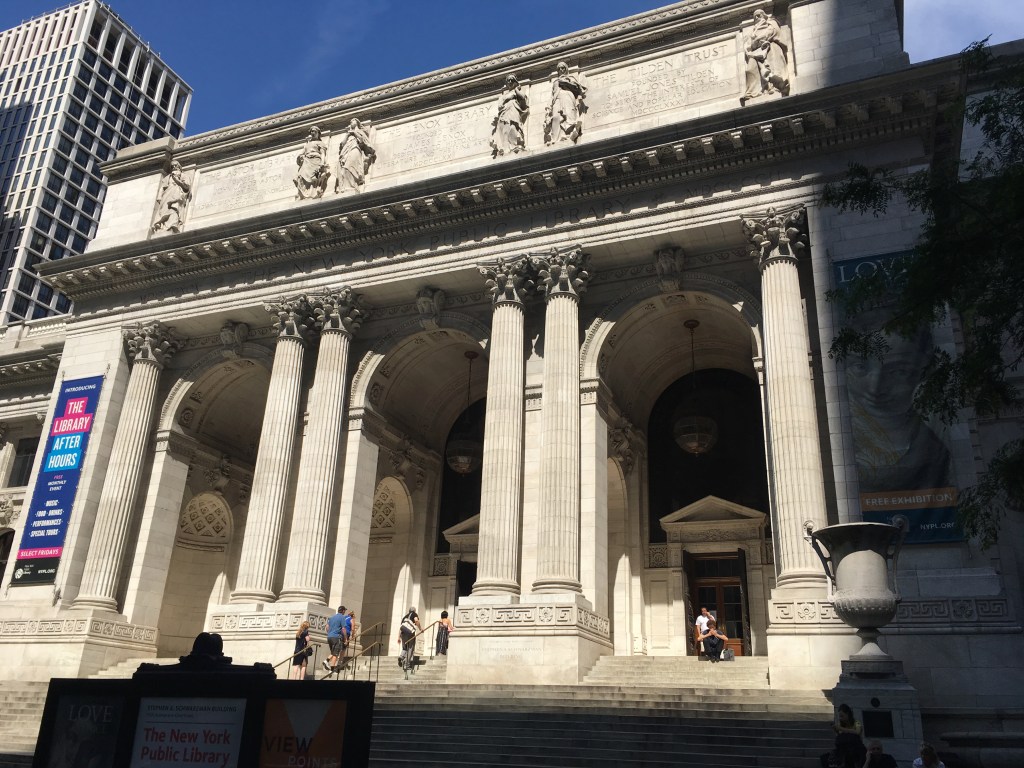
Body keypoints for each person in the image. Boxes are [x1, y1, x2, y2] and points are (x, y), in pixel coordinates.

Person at [845, 316, 953, 494]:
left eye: (897, 371)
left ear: (923, 372)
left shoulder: (937, 453)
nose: (875, 388)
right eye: (860, 367)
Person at [741, 9, 790, 103]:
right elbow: (748, 44)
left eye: (758, 15)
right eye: (755, 16)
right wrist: (754, 44)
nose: (757, 17)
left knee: (772, 68)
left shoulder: (771, 23)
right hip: (756, 52)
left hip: (770, 48)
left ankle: (773, 88)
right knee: (750, 70)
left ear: (764, 15)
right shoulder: (752, 31)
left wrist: (758, 40)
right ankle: (754, 92)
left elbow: (772, 32)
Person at [544, 61, 587, 144]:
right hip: (557, 100)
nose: (561, 69)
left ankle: (568, 134)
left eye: (563, 67)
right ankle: (556, 139)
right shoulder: (555, 81)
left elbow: (578, 88)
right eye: (559, 68)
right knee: (556, 117)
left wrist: (566, 82)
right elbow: (552, 95)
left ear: (566, 69)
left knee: (568, 116)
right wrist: (548, 107)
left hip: (568, 97)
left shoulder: (570, 78)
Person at [490, 74, 529, 157]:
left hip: (514, 111)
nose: (510, 82)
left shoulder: (517, 92)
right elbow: (500, 106)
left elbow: (523, 98)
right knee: (505, 130)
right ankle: (506, 148)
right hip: (505, 114)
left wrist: (516, 90)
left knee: (513, 126)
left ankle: (515, 146)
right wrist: (509, 97)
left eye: (512, 80)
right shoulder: (503, 97)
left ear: (515, 82)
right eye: (508, 80)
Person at [335, 118, 375, 194]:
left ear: (357, 123)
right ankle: (346, 187)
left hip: (355, 149)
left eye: (352, 121)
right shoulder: (348, 134)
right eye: (350, 121)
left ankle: (353, 186)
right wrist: (347, 135)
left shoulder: (360, 131)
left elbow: (362, 141)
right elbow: (342, 145)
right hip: (346, 151)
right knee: (343, 169)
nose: (350, 122)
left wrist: (354, 133)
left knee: (349, 167)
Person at [820, 703, 866, 768]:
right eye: (840, 716)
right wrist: (837, 730)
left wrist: (842, 729)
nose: (840, 718)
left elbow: (857, 732)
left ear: (848, 714)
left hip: (856, 748)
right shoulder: (841, 724)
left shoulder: (856, 722)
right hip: (844, 749)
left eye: (842, 716)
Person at [151, 160, 191, 233]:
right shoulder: (167, 177)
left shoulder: (184, 176)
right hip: (167, 195)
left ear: (179, 166)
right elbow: (162, 188)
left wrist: (177, 181)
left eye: (176, 165)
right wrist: (159, 197)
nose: (174, 167)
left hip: (177, 194)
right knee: (165, 210)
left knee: (174, 207)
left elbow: (186, 187)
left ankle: (173, 225)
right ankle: (161, 225)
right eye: (172, 166)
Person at [294, 125, 330, 199]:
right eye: (312, 132)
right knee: (300, 176)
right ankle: (303, 192)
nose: (313, 133)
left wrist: (322, 163)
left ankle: (314, 192)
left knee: (314, 177)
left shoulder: (320, 143)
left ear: (318, 133)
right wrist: (300, 157)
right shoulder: (307, 145)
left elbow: (323, 153)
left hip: (315, 160)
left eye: (314, 131)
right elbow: (302, 153)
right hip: (306, 161)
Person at [322, 605, 348, 672]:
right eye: (344, 610)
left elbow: (327, 627)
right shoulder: (342, 617)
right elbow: (343, 628)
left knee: (333, 652)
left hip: (329, 637)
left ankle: (327, 661)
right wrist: (345, 638)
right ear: (343, 611)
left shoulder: (332, 617)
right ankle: (332, 670)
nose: (345, 612)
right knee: (335, 654)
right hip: (336, 637)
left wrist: (329, 633)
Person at [397, 606, 421, 671]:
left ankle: (401, 657)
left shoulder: (405, 617)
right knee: (410, 648)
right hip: (410, 634)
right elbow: (416, 621)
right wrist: (420, 628)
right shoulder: (414, 614)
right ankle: (407, 665)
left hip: (403, 633)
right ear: (414, 611)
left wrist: (398, 637)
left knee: (404, 647)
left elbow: (401, 627)